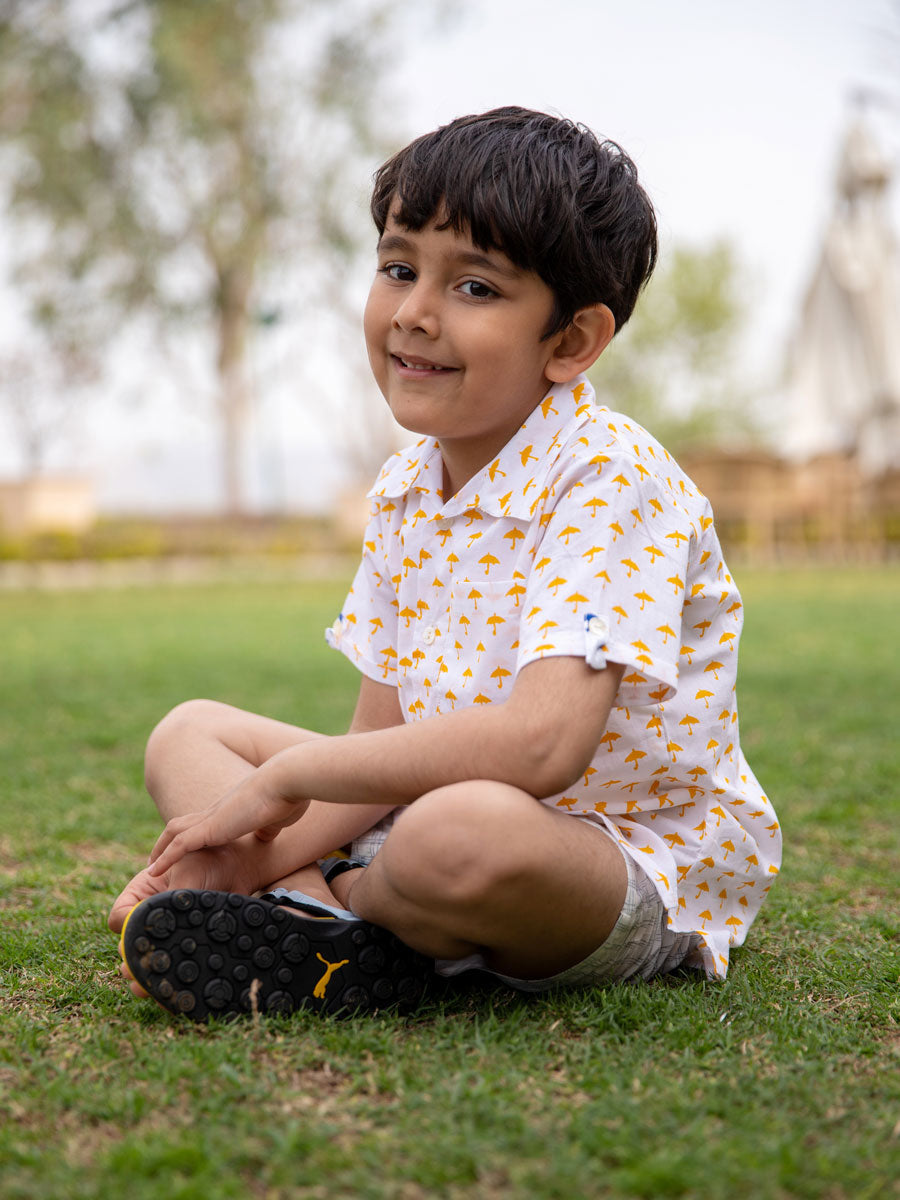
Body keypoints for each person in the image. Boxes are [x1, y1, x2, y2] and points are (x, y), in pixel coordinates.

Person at [111, 106, 781, 1022]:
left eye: (475, 288)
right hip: (416, 822)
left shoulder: (609, 477)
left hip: (613, 855)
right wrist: (230, 852)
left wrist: (277, 794)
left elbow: (543, 746)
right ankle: (319, 918)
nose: (415, 314)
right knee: (186, 733)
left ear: (573, 342)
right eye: (398, 269)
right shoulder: (403, 489)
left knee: (457, 833)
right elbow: (374, 748)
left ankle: (336, 913)